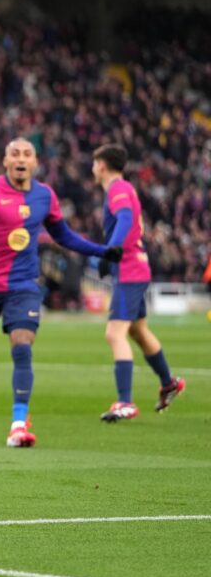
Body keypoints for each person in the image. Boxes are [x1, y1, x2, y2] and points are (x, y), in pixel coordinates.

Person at [0, 138, 122, 448]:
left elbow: (65, 236)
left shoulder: (45, 196)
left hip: (24, 286)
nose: (21, 159)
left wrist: (103, 251)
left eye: (27, 154)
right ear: (5, 161)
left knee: (22, 345)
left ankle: (18, 424)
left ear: (35, 163)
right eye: (15, 154)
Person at [91, 144, 185, 421]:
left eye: (95, 163)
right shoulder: (124, 188)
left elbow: (125, 218)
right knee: (138, 332)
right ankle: (169, 383)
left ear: (103, 165)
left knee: (114, 333)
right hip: (136, 267)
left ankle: (125, 402)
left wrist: (113, 249)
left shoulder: (117, 189)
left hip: (130, 269)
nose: (93, 168)